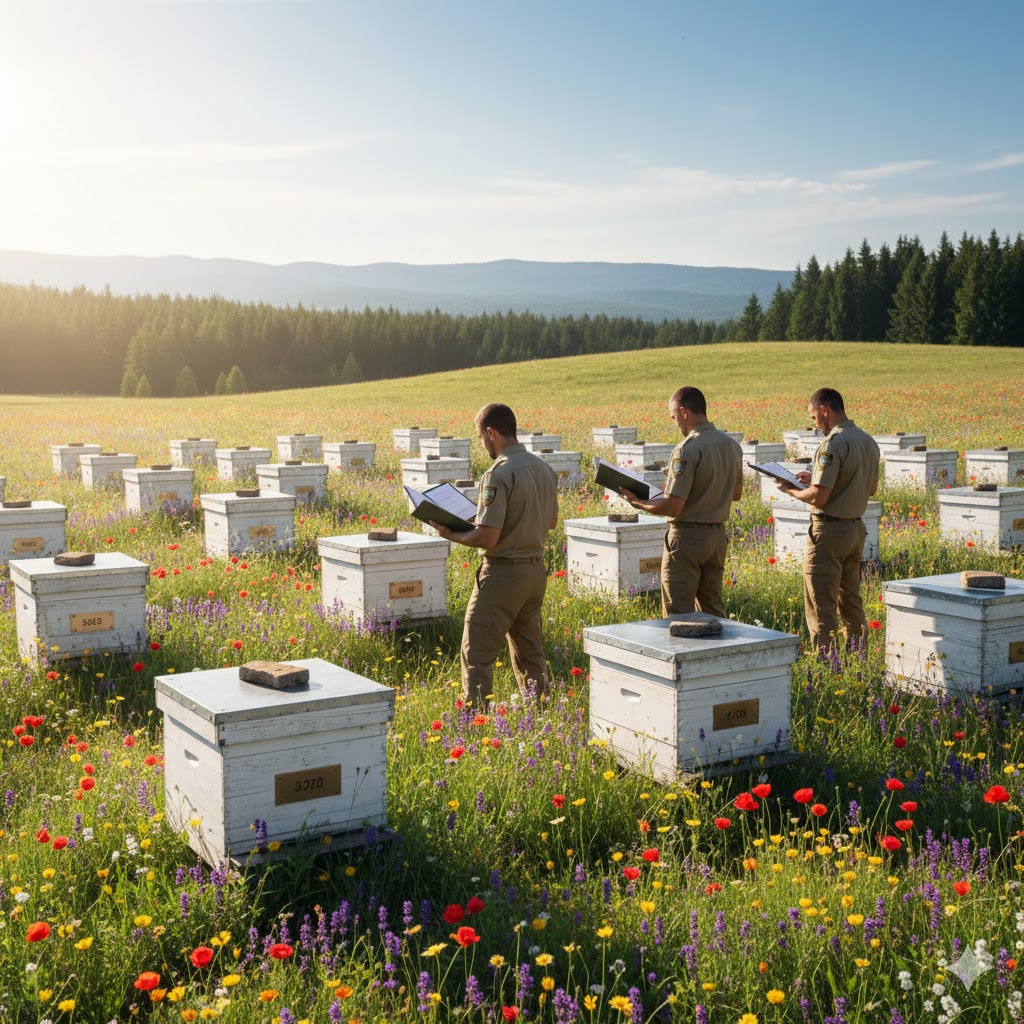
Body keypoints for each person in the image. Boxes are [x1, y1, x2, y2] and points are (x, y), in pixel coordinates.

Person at [430, 403, 559, 706]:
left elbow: (488, 535)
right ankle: (540, 713)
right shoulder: (544, 468)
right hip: (535, 571)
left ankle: (475, 722)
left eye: (481, 438)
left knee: (476, 652)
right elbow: (551, 521)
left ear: (492, 433)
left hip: (502, 574)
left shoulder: (497, 474)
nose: (482, 444)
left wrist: (454, 533)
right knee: (530, 651)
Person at [620, 386, 743, 618]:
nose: (675, 423)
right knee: (712, 611)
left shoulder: (687, 448)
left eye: (674, 416)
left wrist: (639, 502)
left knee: (678, 613)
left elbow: (673, 506)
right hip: (717, 538)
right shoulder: (731, 445)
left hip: (687, 539)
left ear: (684, 412)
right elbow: (735, 494)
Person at [776, 387, 880, 654]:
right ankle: (859, 656)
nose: (814, 424)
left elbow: (819, 498)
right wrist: (816, 479)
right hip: (855, 530)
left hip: (829, 533)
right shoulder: (868, 441)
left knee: (821, 602)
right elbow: (870, 489)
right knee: (851, 600)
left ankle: (826, 663)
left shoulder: (832, 444)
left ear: (825, 410)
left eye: (813, 418)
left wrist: (790, 489)